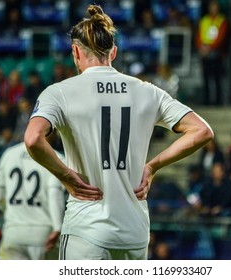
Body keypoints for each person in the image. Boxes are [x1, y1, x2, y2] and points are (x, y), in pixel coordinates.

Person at [24, 4, 214, 260]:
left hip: (87, 228)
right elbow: (202, 131)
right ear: (113, 52)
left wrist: (66, 175)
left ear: (75, 52)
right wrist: (153, 166)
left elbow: (33, 138)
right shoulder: (148, 91)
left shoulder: (60, 92)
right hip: (135, 232)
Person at [0, 139, 66, 260]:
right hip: (44, 235)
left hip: (13, 233)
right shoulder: (57, 157)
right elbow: (54, 195)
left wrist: (14, 213)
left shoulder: (9, 154)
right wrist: (58, 227)